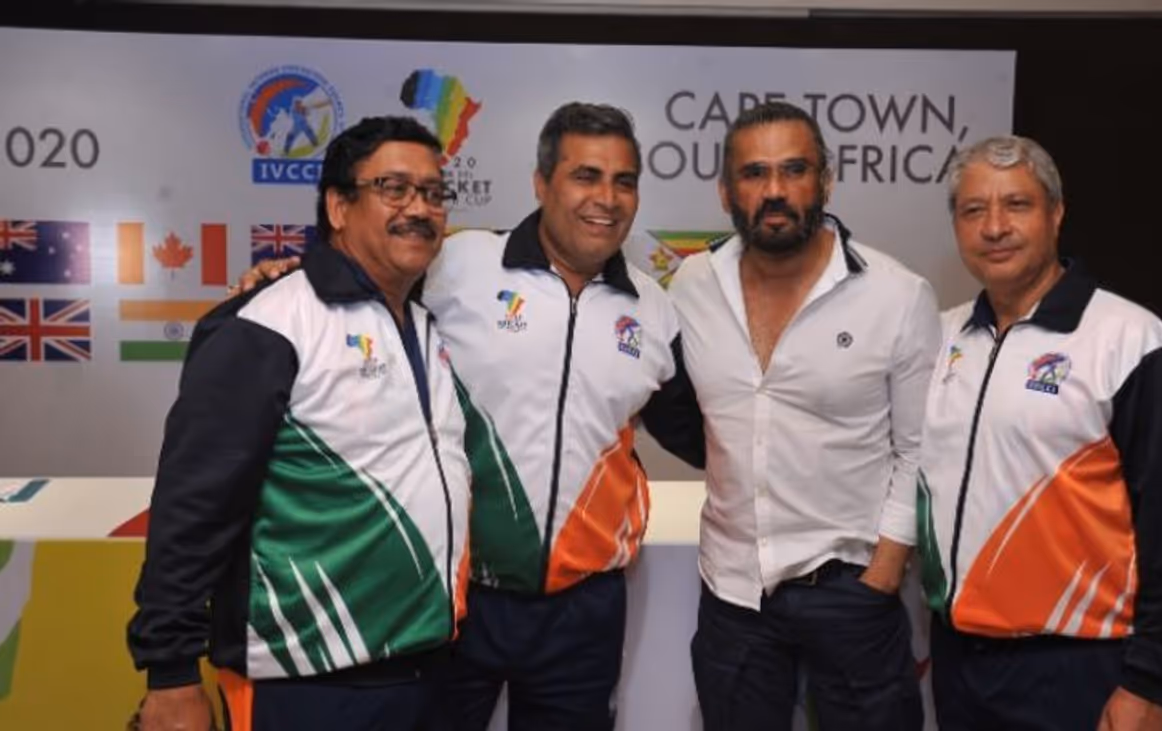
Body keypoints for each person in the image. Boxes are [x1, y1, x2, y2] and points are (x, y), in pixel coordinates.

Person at [232, 102, 703, 731]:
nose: (607, 199)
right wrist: (290, 275)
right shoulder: (456, 264)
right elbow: (358, 281)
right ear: (541, 184)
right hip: (453, 597)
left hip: (584, 609)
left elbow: (699, 435)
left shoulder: (653, 309)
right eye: (585, 176)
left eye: (624, 181)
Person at [126, 116, 471, 731]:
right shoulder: (272, 322)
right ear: (339, 207)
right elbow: (192, 506)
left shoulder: (423, 326)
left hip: (423, 674)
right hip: (304, 685)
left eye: (433, 193)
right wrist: (171, 673)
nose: (419, 209)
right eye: (394, 189)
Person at [915, 135, 1162, 731]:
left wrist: (1152, 681)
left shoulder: (1130, 340)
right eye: (974, 210)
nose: (994, 227)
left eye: (1017, 205)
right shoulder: (939, 337)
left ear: (1056, 213)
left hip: (1082, 668)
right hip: (960, 664)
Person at [667, 100, 938, 730]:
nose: (775, 190)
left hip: (851, 590)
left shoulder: (897, 295)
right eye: (754, 173)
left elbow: (919, 449)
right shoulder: (692, 285)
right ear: (725, 191)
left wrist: (883, 572)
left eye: (794, 170)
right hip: (733, 595)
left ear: (826, 181)